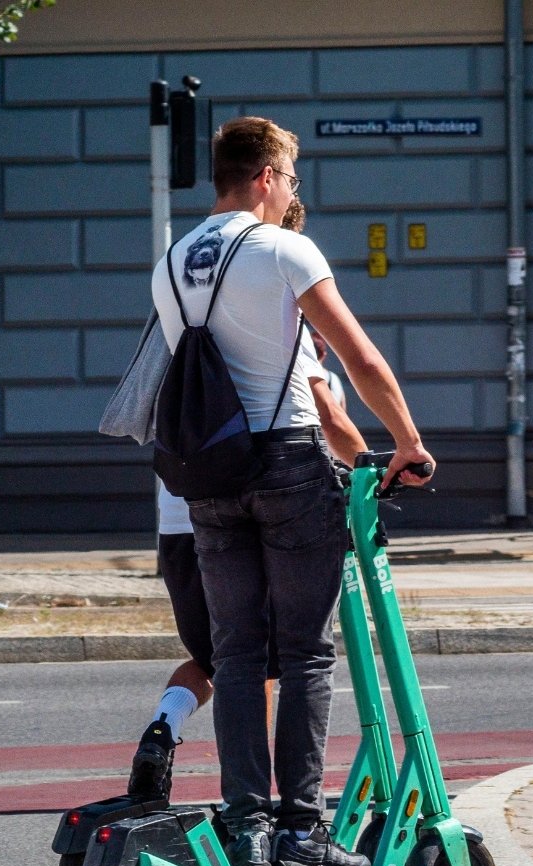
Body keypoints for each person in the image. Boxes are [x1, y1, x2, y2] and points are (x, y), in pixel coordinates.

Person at [152, 116, 432, 866]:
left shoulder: (172, 261)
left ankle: (247, 831)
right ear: (267, 177)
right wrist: (406, 441)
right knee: (306, 652)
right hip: (287, 462)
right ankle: (303, 833)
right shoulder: (283, 249)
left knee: (238, 653)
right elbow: (357, 358)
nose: (291, 193)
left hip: (211, 476)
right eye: (291, 180)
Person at [127, 199, 368, 803]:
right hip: (272, 487)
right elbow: (332, 413)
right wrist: (374, 467)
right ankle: (286, 813)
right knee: (293, 656)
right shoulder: (282, 333)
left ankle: (173, 738)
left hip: (185, 514)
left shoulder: (185, 311)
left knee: (225, 657)